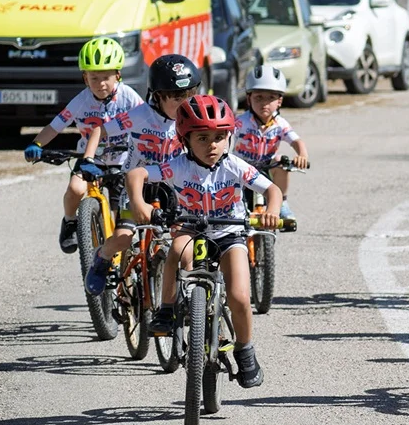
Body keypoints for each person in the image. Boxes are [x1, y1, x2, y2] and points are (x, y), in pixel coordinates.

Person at [150, 93, 286, 388]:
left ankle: (245, 349)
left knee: (239, 296)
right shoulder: (177, 166)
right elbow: (137, 175)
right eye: (202, 138)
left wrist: (272, 210)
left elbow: (272, 190)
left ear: (229, 137)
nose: (212, 145)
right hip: (191, 228)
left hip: (229, 233)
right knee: (175, 248)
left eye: (218, 137)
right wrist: (139, 202)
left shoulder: (235, 166)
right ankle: (167, 310)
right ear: (185, 140)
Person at [24, 36, 142, 254]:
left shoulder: (129, 97)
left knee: (119, 221)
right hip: (89, 158)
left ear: (118, 75)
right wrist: (37, 143)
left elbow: (146, 122)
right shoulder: (81, 100)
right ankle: (69, 222)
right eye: (93, 78)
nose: (100, 84)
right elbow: (55, 126)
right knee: (75, 188)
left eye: (106, 77)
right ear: (85, 78)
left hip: (123, 160)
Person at [103, 54, 200, 300]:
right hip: (138, 186)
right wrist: (90, 155)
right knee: (124, 238)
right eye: (177, 98)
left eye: (190, 95)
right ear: (157, 96)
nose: (185, 103)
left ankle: (192, 299)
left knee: (184, 245)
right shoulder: (140, 114)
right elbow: (100, 129)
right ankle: (101, 259)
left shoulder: (193, 120)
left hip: (171, 189)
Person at [233, 64, 310, 216]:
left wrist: (302, 155)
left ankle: (281, 203)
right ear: (249, 98)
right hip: (242, 167)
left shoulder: (280, 124)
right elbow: (226, 137)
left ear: (279, 101)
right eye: (259, 97)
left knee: (281, 160)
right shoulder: (241, 122)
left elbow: (296, 141)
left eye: (271, 98)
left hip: (268, 166)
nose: (264, 103)